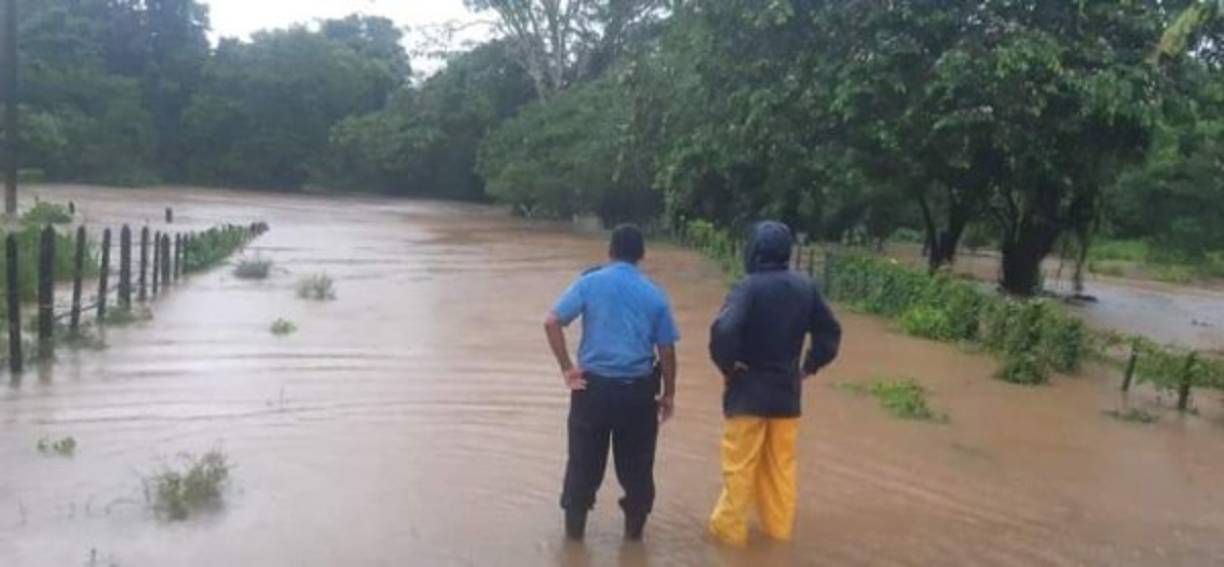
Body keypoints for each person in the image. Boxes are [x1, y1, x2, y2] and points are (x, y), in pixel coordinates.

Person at [707, 220, 842, 547]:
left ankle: (728, 541)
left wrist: (728, 365)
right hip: (786, 396)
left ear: (753, 250)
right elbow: (830, 332)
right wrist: (809, 367)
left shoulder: (748, 287)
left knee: (739, 470)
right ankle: (778, 538)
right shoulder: (806, 287)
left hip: (747, 395)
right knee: (781, 472)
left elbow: (724, 331)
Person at [544, 224, 680, 542]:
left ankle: (574, 542)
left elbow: (552, 322)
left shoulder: (589, 283)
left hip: (591, 391)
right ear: (642, 255)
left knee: (582, 466)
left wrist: (567, 369)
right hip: (638, 395)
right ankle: (633, 541)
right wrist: (669, 393)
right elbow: (667, 349)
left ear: (610, 252)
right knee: (637, 470)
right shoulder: (655, 294)